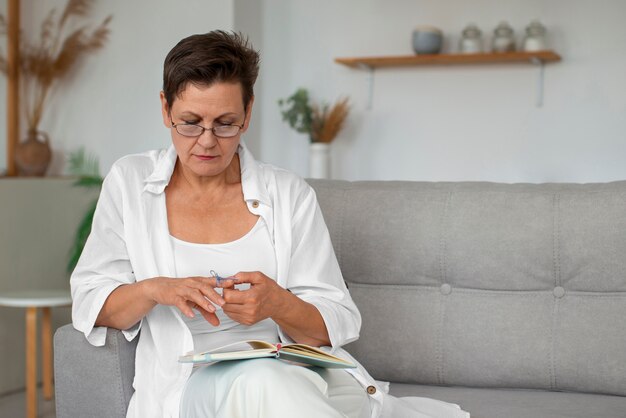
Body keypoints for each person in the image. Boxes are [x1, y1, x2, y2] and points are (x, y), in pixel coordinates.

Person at [71, 30, 470, 418]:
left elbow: (336, 323)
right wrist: (157, 289)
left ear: (247, 114)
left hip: (302, 379)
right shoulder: (130, 182)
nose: (207, 141)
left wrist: (278, 303)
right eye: (190, 122)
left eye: (225, 123)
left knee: (280, 385)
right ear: (164, 109)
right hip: (196, 386)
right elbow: (92, 303)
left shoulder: (288, 193)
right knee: (261, 382)